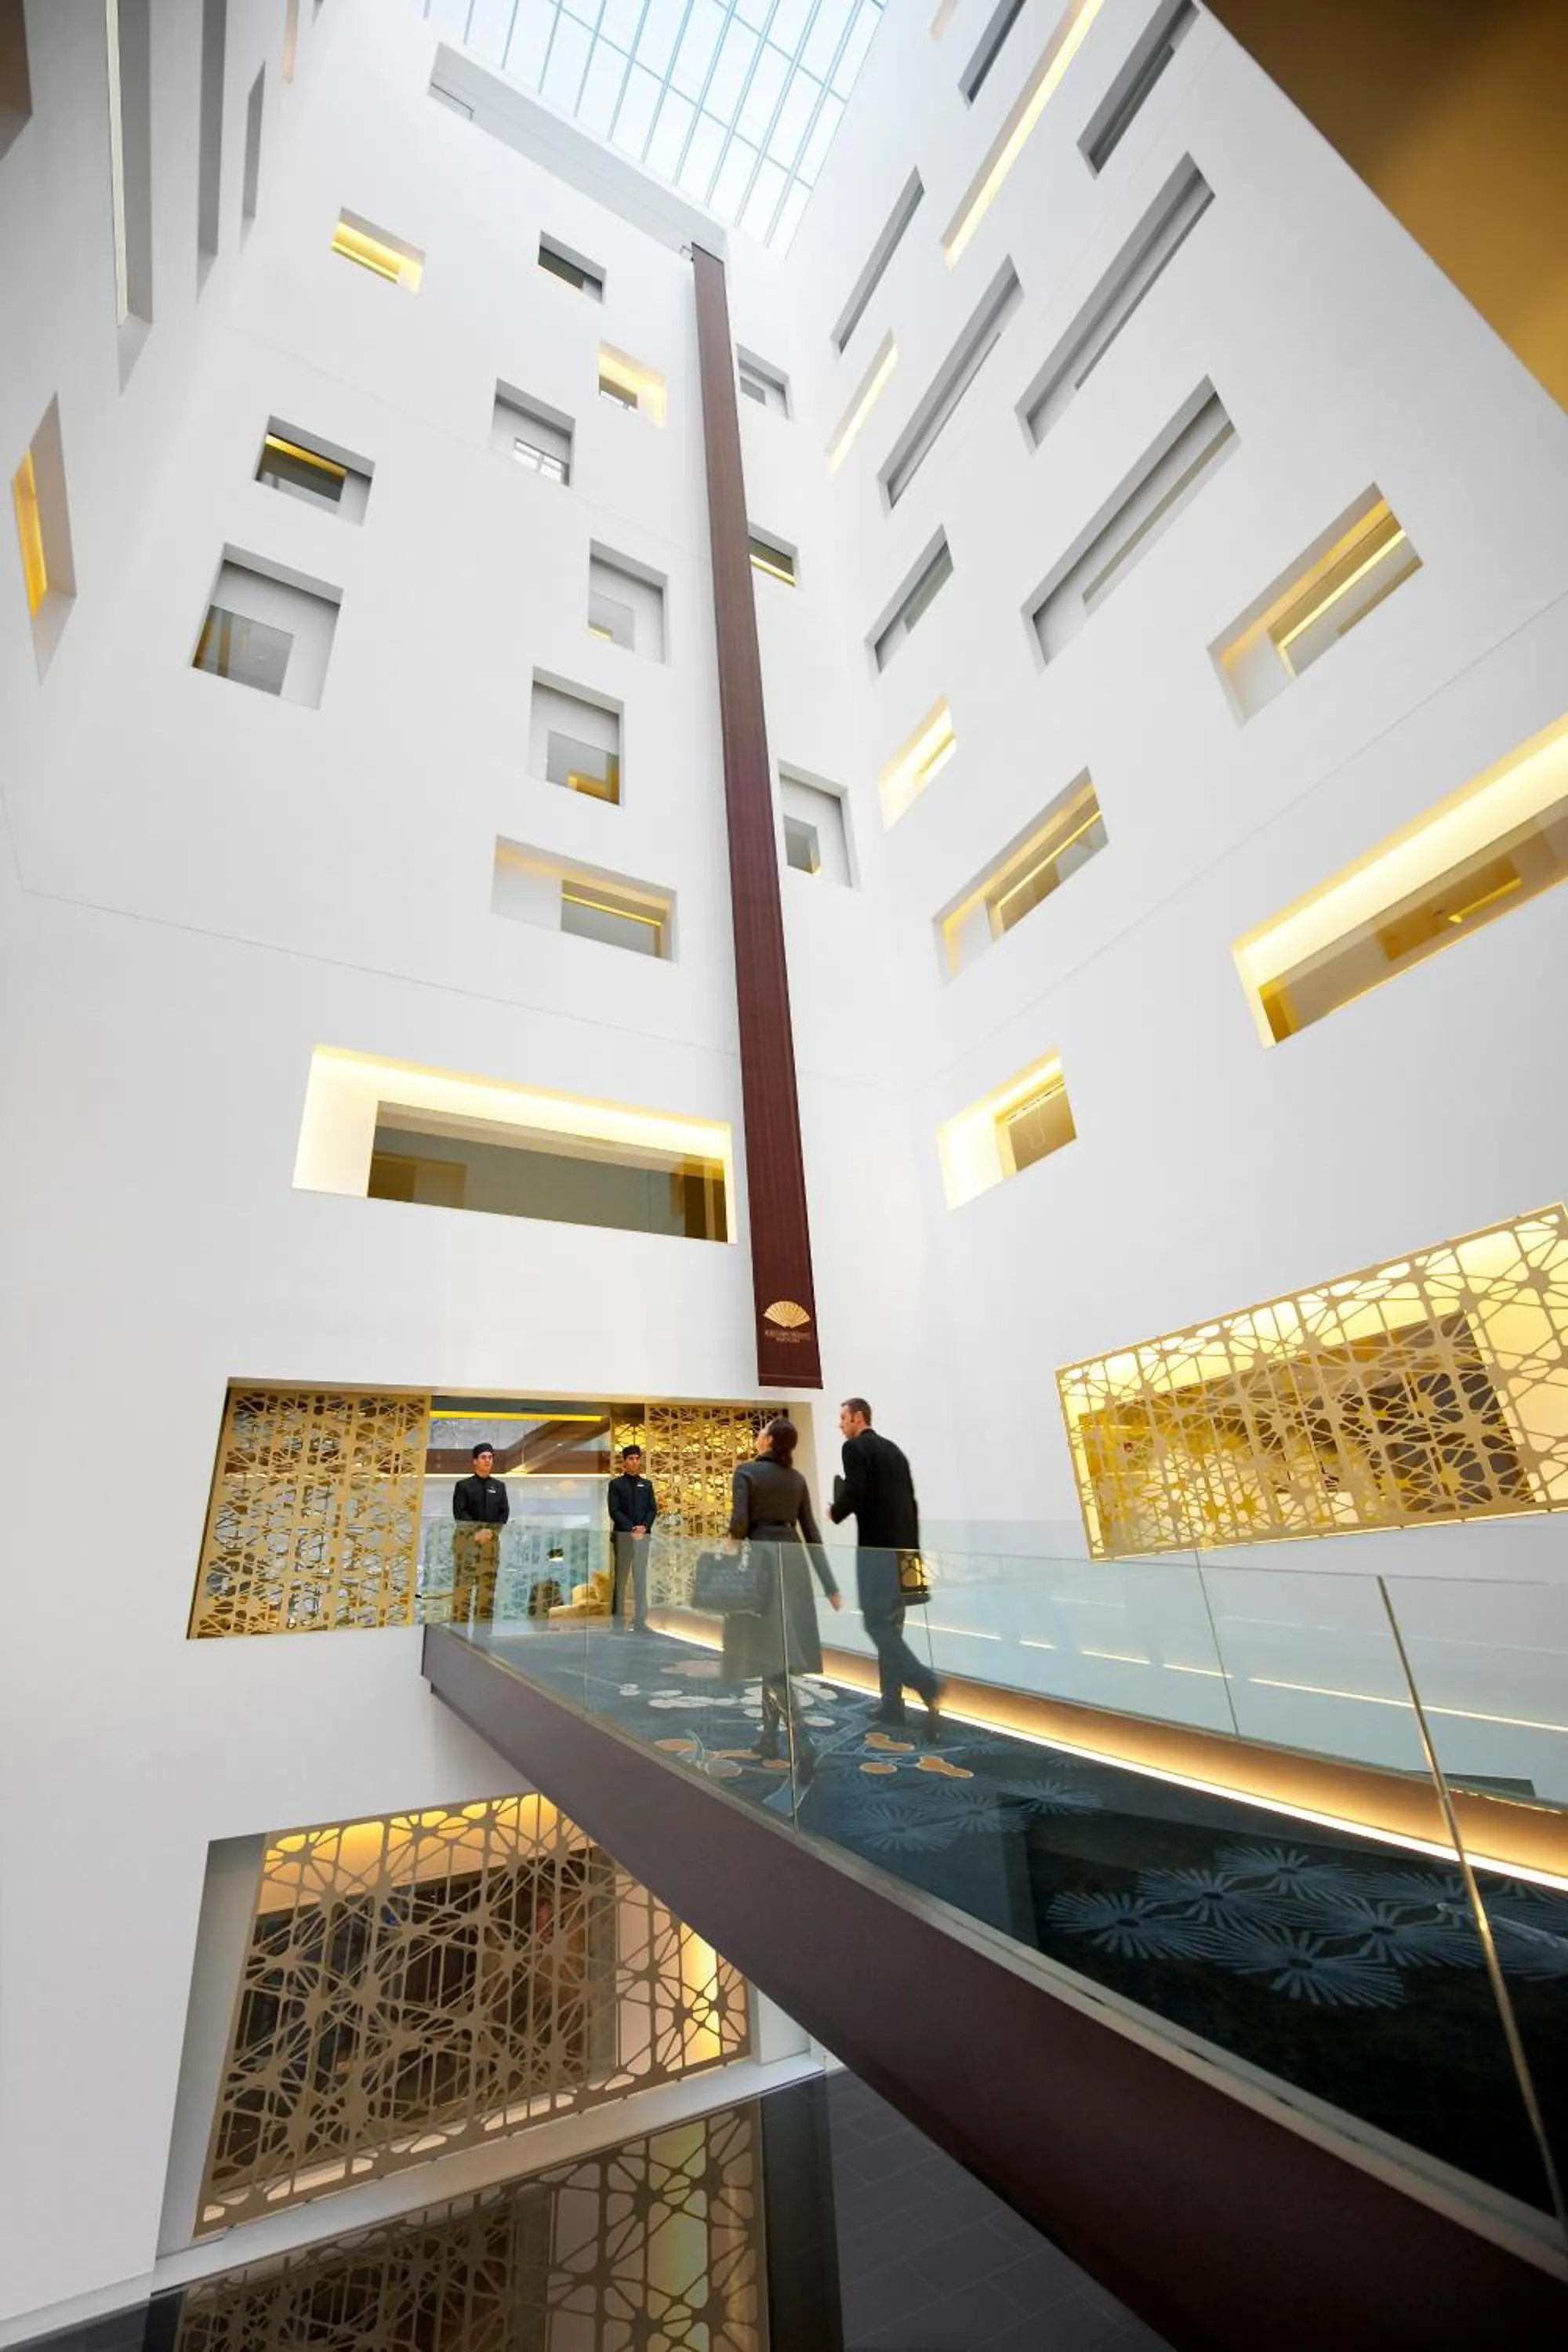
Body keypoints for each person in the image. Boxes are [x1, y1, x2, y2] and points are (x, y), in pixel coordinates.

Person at [726, 1418, 841, 1782]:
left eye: (761, 1433)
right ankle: (768, 1739)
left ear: (770, 1440)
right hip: (793, 1564)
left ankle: (801, 1740)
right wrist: (830, 1584)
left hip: (760, 1562)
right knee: (775, 1654)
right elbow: (812, 1532)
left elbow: (740, 1523)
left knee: (767, 1655)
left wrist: (730, 1542)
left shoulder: (746, 1472)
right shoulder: (797, 1480)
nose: (757, 1437)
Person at [829, 1398, 944, 1737]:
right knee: (892, 1629)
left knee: (877, 1625)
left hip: (878, 1554)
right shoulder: (895, 1451)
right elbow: (910, 1503)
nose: (840, 1425)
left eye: (843, 1418)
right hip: (907, 1553)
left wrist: (835, 1511)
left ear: (858, 1418)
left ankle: (926, 1682)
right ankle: (892, 1706)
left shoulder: (854, 1448)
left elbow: (856, 1492)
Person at [451, 1443, 510, 1625]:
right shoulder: (463, 1486)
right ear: (475, 1461)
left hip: (490, 1546)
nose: (487, 1461)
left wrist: (490, 1532)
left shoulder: (499, 1487)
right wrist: (477, 1532)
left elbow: (504, 1513)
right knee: (463, 1590)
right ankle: (458, 1634)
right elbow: (459, 1513)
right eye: (483, 1457)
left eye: (490, 1457)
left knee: (487, 1590)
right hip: (467, 1543)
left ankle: (483, 1636)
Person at [607, 1444, 659, 1630]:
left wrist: (644, 1527)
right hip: (624, 1538)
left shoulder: (647, 1485)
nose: (634, 1462)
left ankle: (640, 1621)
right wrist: (631, 1528)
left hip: (643, 1539)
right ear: (624, 1462)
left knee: (640, 1579)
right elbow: (614, 1511)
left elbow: (653, 1509)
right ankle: (618, 1622)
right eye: (631, 1459)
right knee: (621, 1579)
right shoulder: (615, 1485)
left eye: (637, 1458)